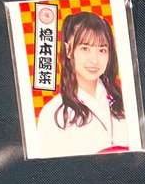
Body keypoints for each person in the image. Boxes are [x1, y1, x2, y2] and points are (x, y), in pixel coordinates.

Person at [36, 11, 128, 157]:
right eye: (85, 48)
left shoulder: (126, 101)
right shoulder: (53, 113)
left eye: (102, 50)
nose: (94, 60)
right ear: (68, 50)